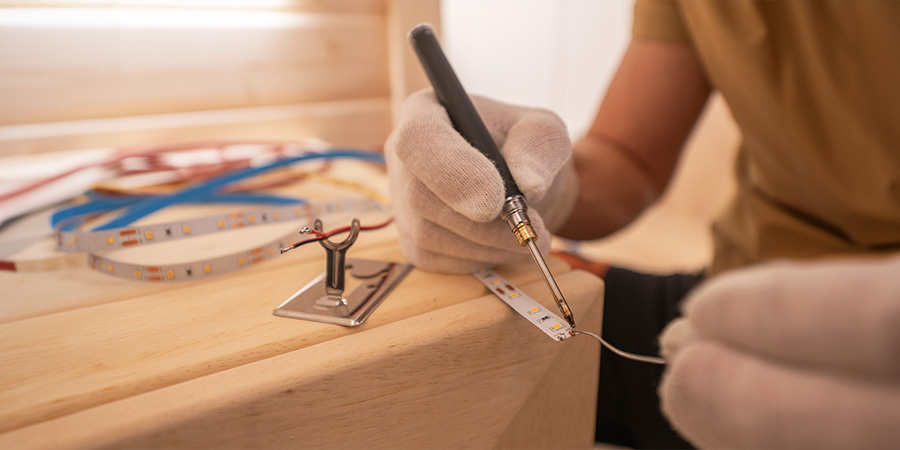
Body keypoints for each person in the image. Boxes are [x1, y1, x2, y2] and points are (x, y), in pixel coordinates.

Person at [385, 1, 900, 448]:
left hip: (875, 359)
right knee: (450, 369)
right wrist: (554, 186)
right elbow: (629, 156)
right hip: (731, 299)